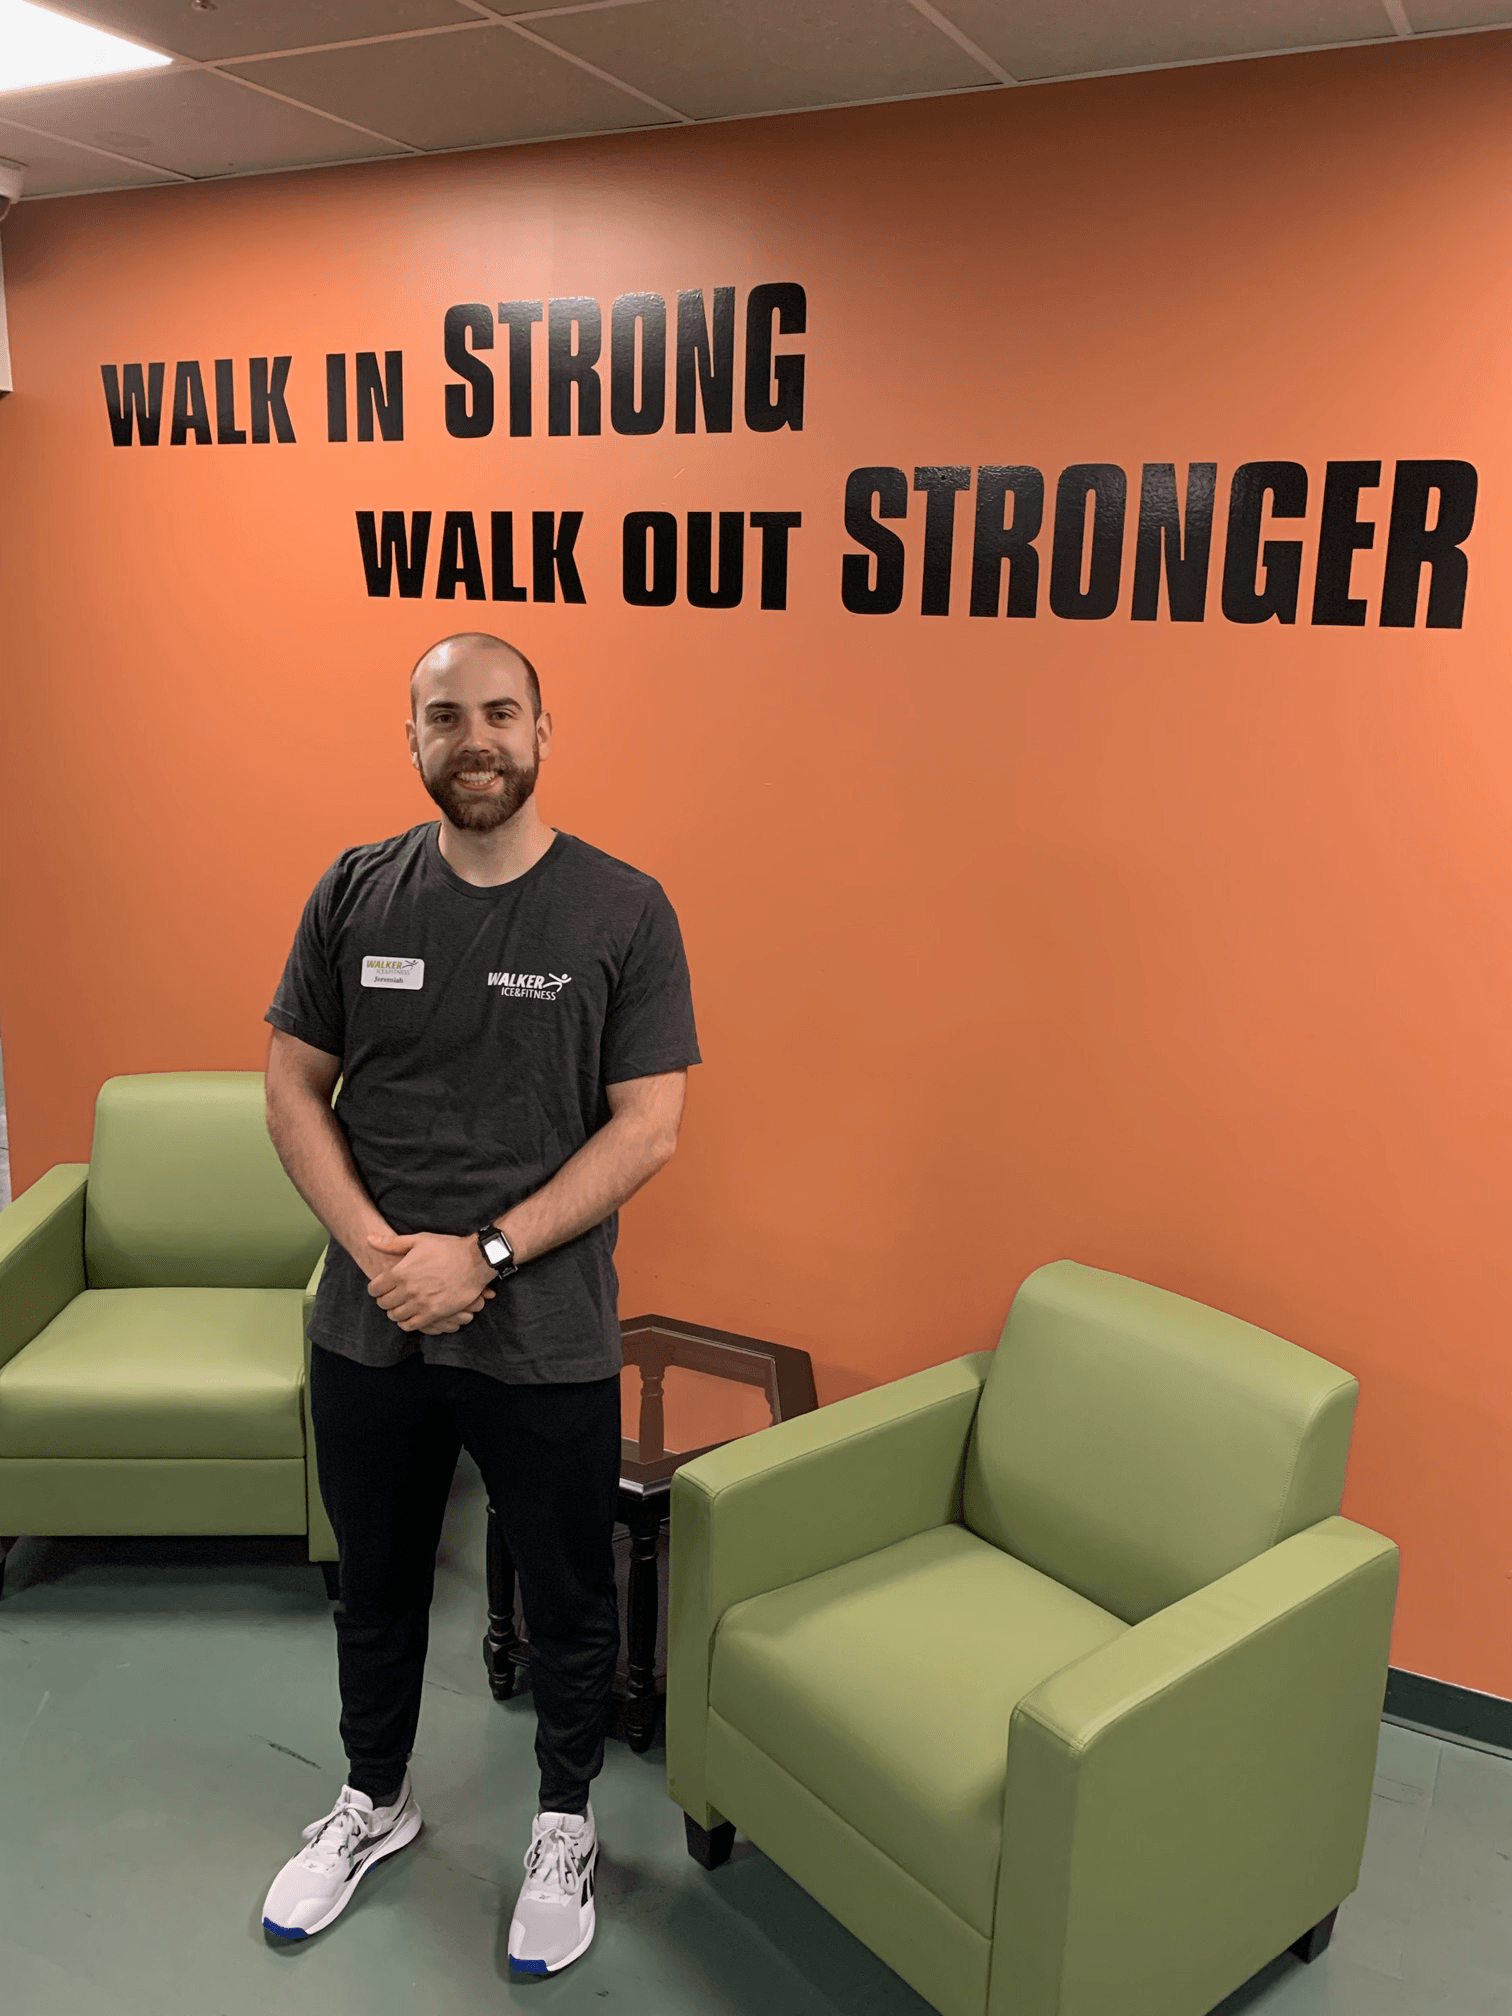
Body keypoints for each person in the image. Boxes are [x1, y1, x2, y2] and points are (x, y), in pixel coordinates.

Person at [257, 631, 698, 1973]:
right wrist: (382, 1251)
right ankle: (371, 1801)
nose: (476, 739)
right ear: (413, 743)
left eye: (500, 713)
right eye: (445, 718)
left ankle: (562, 1821)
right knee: (376, 1587)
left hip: (545, 1334)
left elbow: (650, 1126)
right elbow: (291, 1088)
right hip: (367, 1329)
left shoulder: (624, 910)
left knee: (568, 1599)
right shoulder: (354, 892)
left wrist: (484, 1257)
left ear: (544, 731)